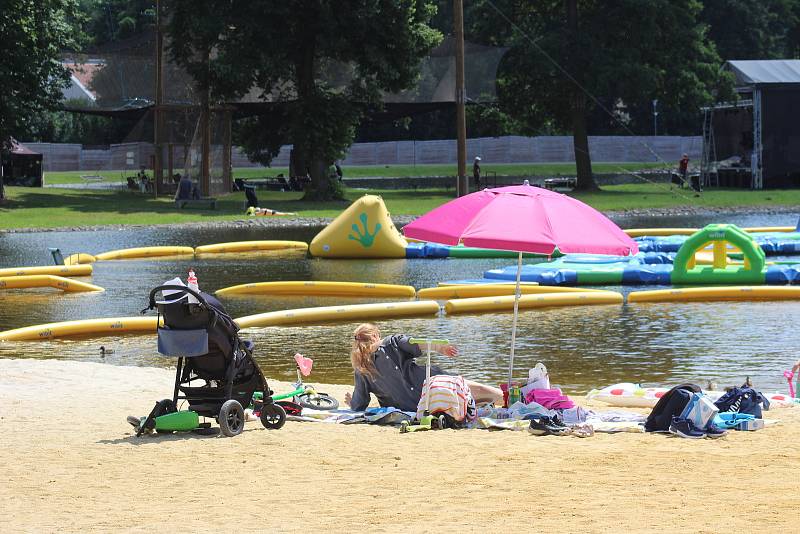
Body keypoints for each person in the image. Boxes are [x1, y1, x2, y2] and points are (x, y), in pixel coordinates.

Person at [344, 323, 503, 412]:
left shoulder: (361, 367)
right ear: (374, 336)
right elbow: (413, 342)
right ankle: (509, 396)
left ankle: (498, 400)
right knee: (479, 391)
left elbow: (359, 404)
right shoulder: (390, 342)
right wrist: (438, 348)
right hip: (432, 385)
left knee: (473, 398)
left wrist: (352, 402)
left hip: (411, 408)